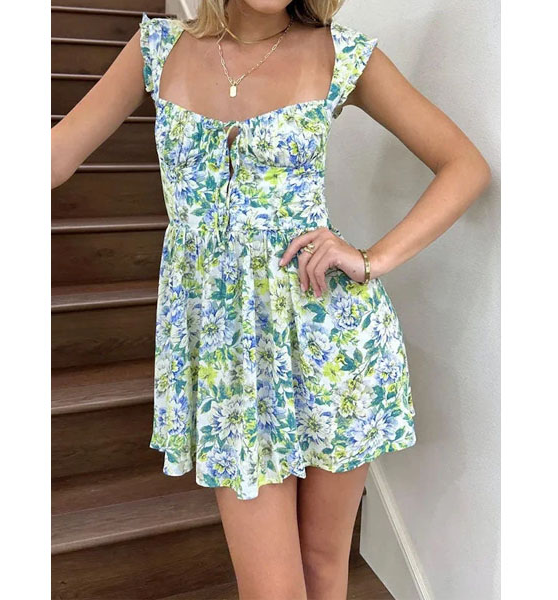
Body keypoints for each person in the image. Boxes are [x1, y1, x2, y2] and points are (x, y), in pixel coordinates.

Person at [51, 1, 491, 598]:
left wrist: (372, 258)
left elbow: (464, 166)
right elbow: (54, 156)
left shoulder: (344, 55)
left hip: (334, 346)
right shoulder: (156, 48)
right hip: (227, 356)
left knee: (323, 564)